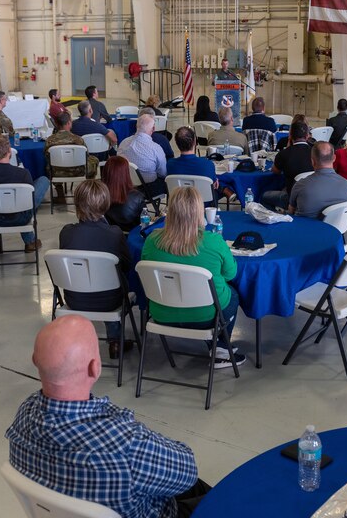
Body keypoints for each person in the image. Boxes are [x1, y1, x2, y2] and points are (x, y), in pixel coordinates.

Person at [6, 315, 208, 518]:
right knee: (217, 498)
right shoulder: (125, 444)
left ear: (35, 360)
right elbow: (187, 471)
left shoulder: (23, 415)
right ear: (95, 367)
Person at [141, 187, 245, 367]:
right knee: (233, 295)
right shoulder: (213, 241)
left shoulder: (151, 240)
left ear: (170, 211)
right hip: (205, 317)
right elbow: (231, 274)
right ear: (199, 212)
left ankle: (218, 346)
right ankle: (220, 347)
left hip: (161, 313)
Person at [58, 181, 133, 359]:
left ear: (77, 204)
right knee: (113, 282)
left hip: (75, 297)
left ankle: (74, 342)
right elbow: (127, 266)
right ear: (105, 203)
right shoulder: (114, 234)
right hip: (110, 300)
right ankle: (115, 341)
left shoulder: (66, 232)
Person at [0, 135, 49, 252]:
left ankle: (30, 240)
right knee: (42, 181)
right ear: (9, 151)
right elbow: (28, 199)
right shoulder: (22, 173)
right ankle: (30, 241)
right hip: (20, 218)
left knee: (27, 200)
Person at [288, 141, 347, 218]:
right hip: (335, 229)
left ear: (312, 161)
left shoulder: (301, 185)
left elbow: (291, 211)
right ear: (334, 158)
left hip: (304, 228)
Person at [45, 111, 99, 204]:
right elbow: (86, 156)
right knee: (94, 160)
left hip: (57, 173)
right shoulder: (78, 139)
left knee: (49, 165)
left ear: (57, 124)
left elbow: (47, 157)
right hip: (79, 171)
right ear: (69, 123)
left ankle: (60, 195)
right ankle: (88, 193)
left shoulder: (49, 140)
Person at [262, 121, 313, 211]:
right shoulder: (315, 153)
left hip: (291, 198)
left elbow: (275, 171)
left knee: (264, 196)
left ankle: (272, 219)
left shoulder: (284, 154)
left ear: (290, 136)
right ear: (307, 136)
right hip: (312, 196)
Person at [117, 113, 167, 199]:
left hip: (126, 187)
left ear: (137, 127)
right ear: (153, 129)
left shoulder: (123, 143)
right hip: (148, 190)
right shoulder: (156, 148)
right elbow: (163, 173)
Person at [168, 127, 218, 205]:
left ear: (176, 143)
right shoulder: (207, 164)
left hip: (179, 205)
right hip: (202, 206)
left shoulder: (170, 164)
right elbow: (214, 185)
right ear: (194, 141)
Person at [101, 156, 146, 232]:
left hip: (106, 236)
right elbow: (144, 223)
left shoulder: (98, 194)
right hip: (130, 238)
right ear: (126, 173)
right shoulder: (137, 197)